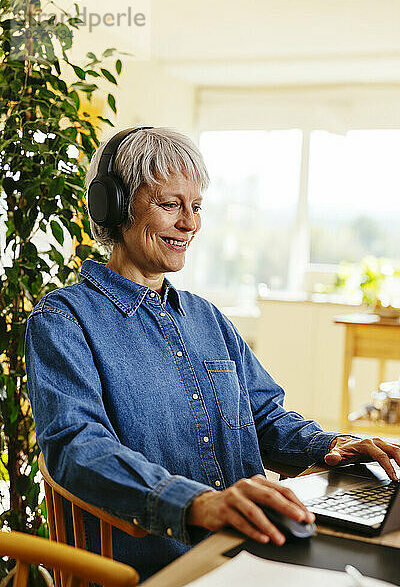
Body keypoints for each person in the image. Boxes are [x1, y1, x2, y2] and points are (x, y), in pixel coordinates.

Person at [25, 127, 400, 582]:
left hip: (255, 549)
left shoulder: (208, 318)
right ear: (115, 207)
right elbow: (77, 448)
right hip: (159, 568)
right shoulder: (63, 319)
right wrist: (199, 503)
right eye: (170, 204)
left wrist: (332, 446)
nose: (191, 223)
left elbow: (265, 417)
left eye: (196, 207)